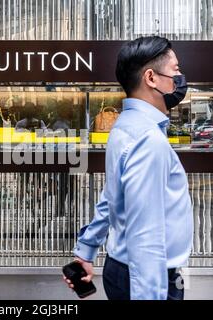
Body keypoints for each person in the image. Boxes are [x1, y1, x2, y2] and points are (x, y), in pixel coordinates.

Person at [63, 36, 193, 300]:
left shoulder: (124, 127)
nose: (180, 78)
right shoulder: (147, 139)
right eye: (175, 70)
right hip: (147, 277)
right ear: (151, 78)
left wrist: (86, 249)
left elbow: (112, 197)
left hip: (124, 270)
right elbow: (146, 236)